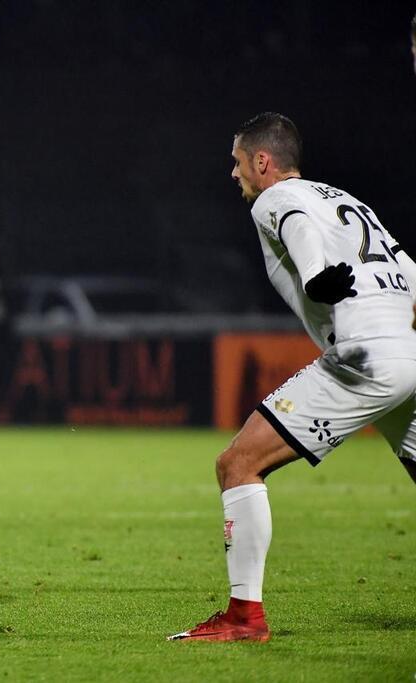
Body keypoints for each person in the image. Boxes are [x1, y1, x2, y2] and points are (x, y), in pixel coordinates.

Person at [170, 112, 416, 642]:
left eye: (238, 162)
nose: (233, 174)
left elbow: (296, 229)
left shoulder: (275, 198)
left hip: (365, 358)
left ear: (263, 161)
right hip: (411, 355)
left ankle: (243, 619)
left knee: (237, 463)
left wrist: (316, 276)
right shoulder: (350, 203)